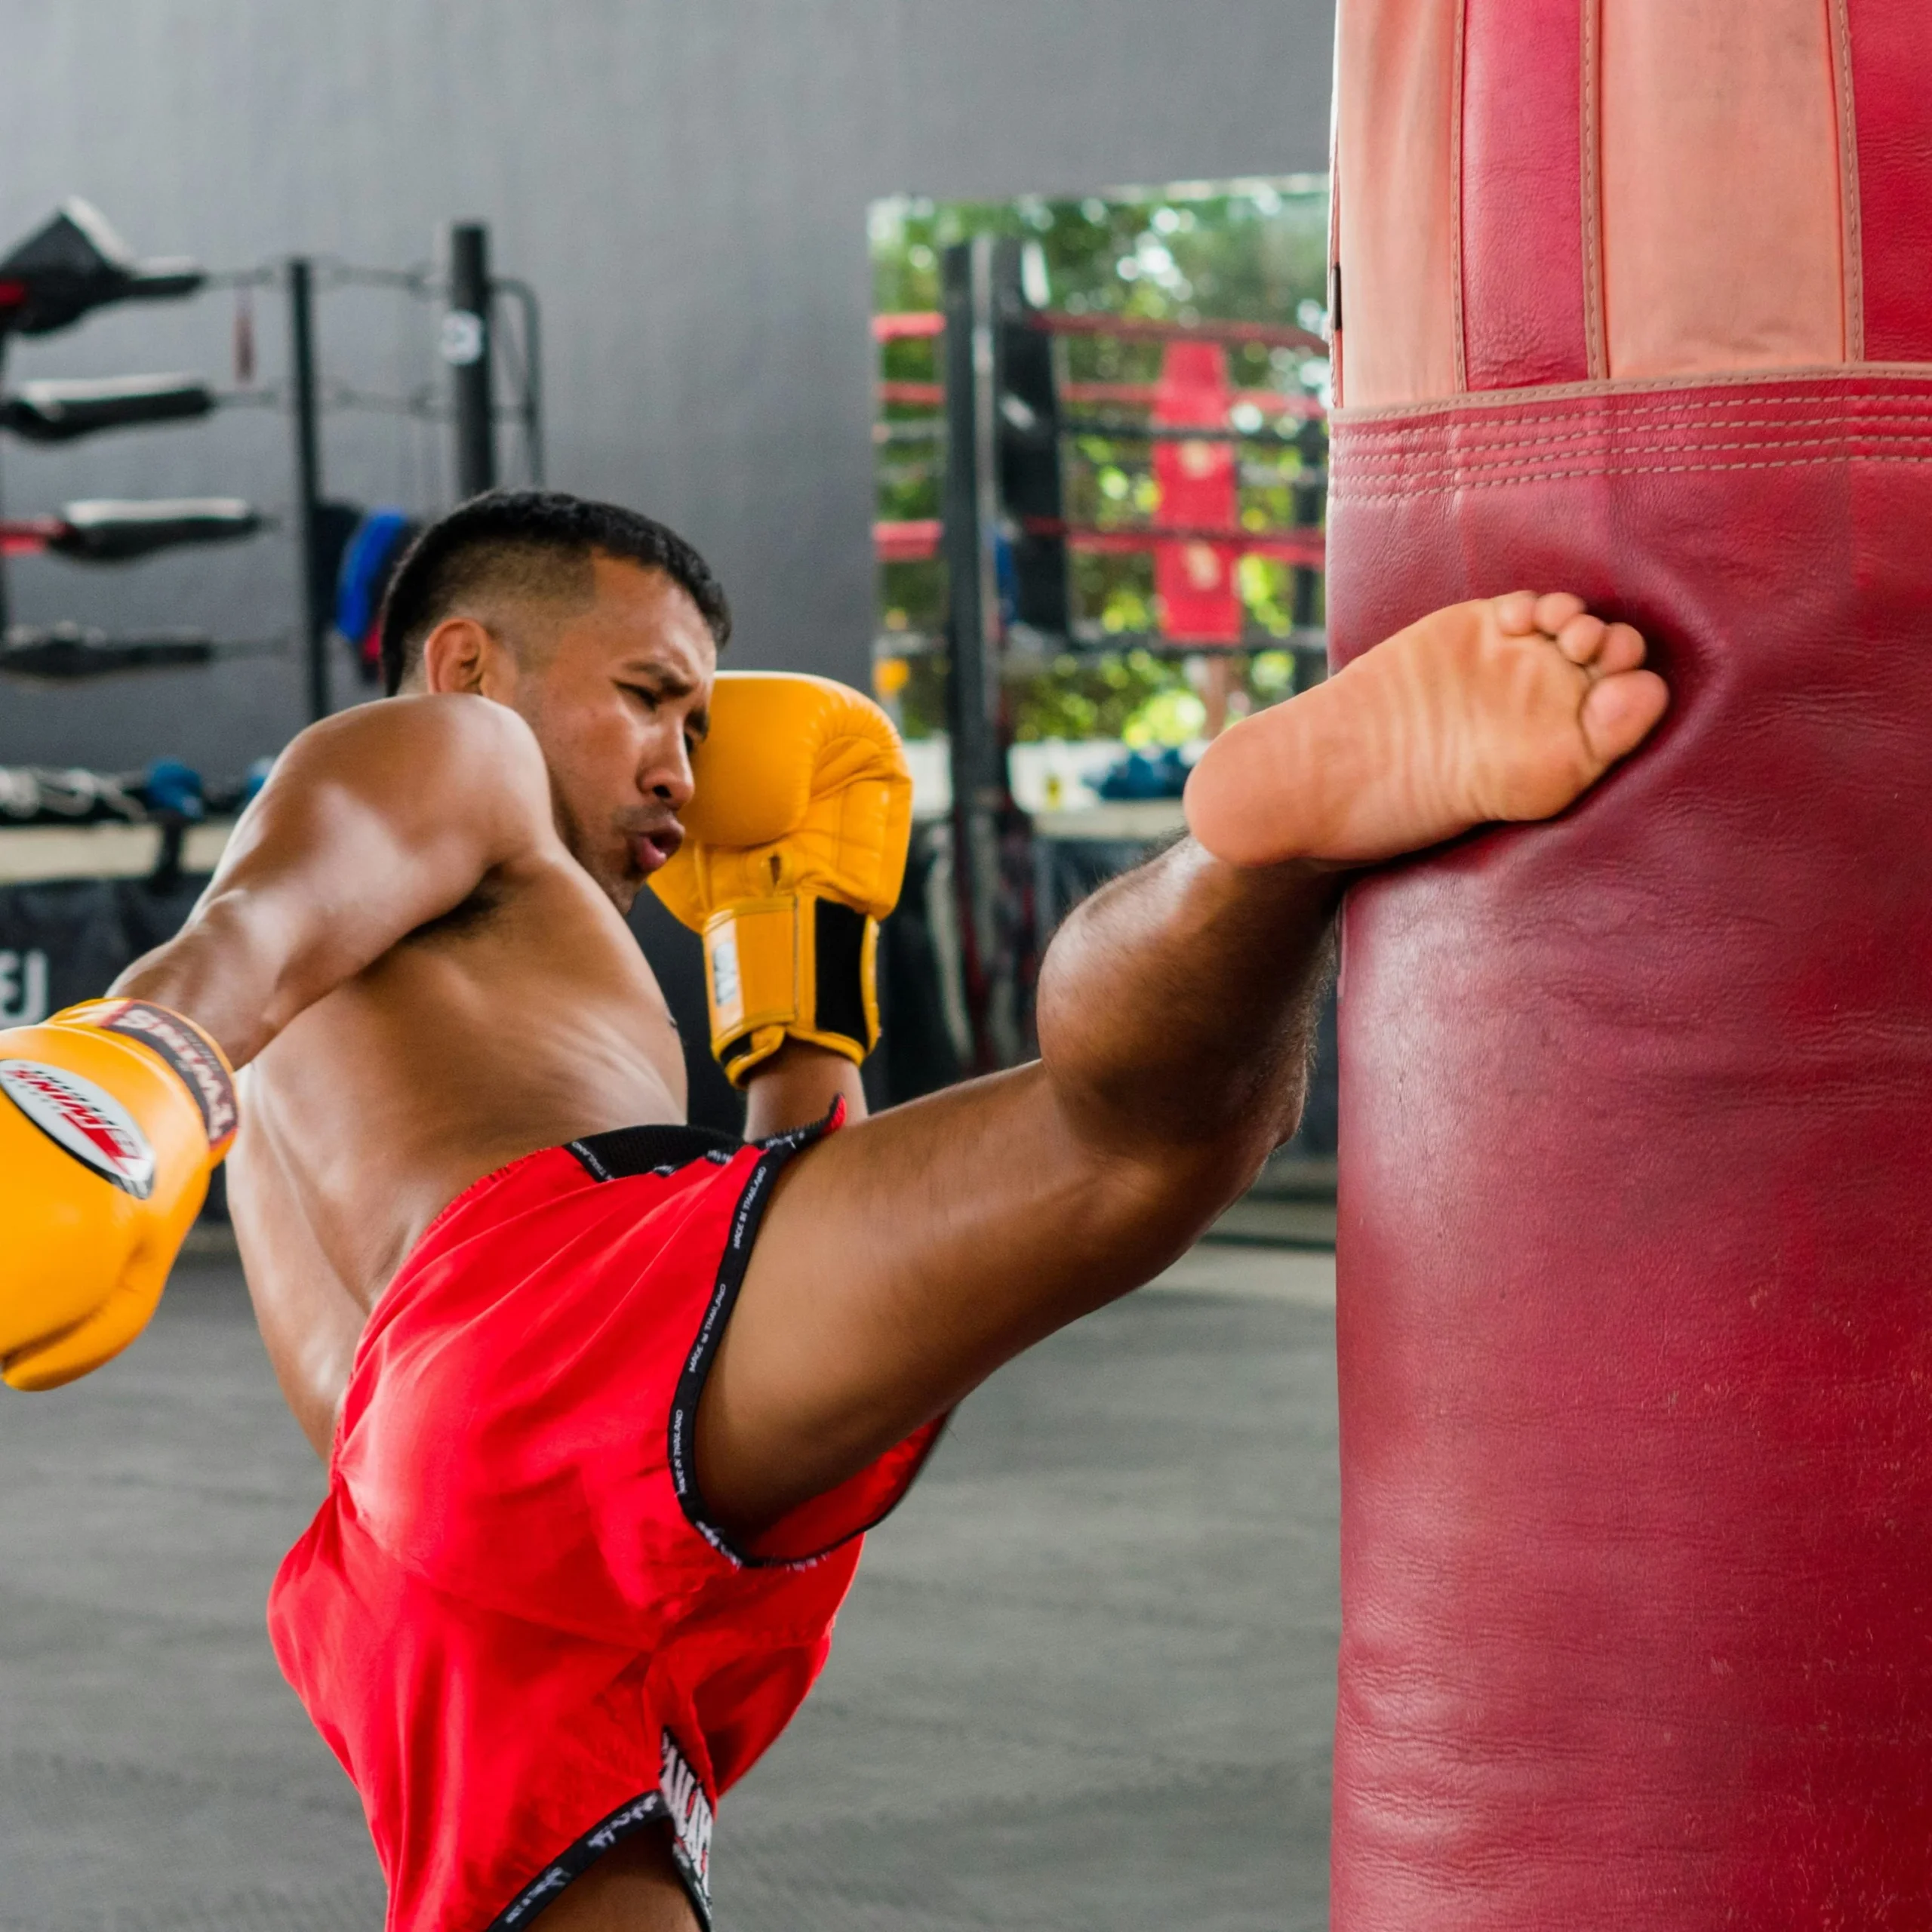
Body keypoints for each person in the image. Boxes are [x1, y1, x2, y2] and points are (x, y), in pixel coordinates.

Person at [0, 490, 1667, 1932]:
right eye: (650, 698)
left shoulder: (469, 963)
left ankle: (1264, 849)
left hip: (446, 1557)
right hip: (531, 1341)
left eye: (703, 727)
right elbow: (266, 919)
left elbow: (781, 1220)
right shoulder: (443, 747)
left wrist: (794, 988)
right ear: (467, 658)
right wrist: (136, 1062)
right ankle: (1258, 853)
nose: (681, 764)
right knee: (1127, 1145)